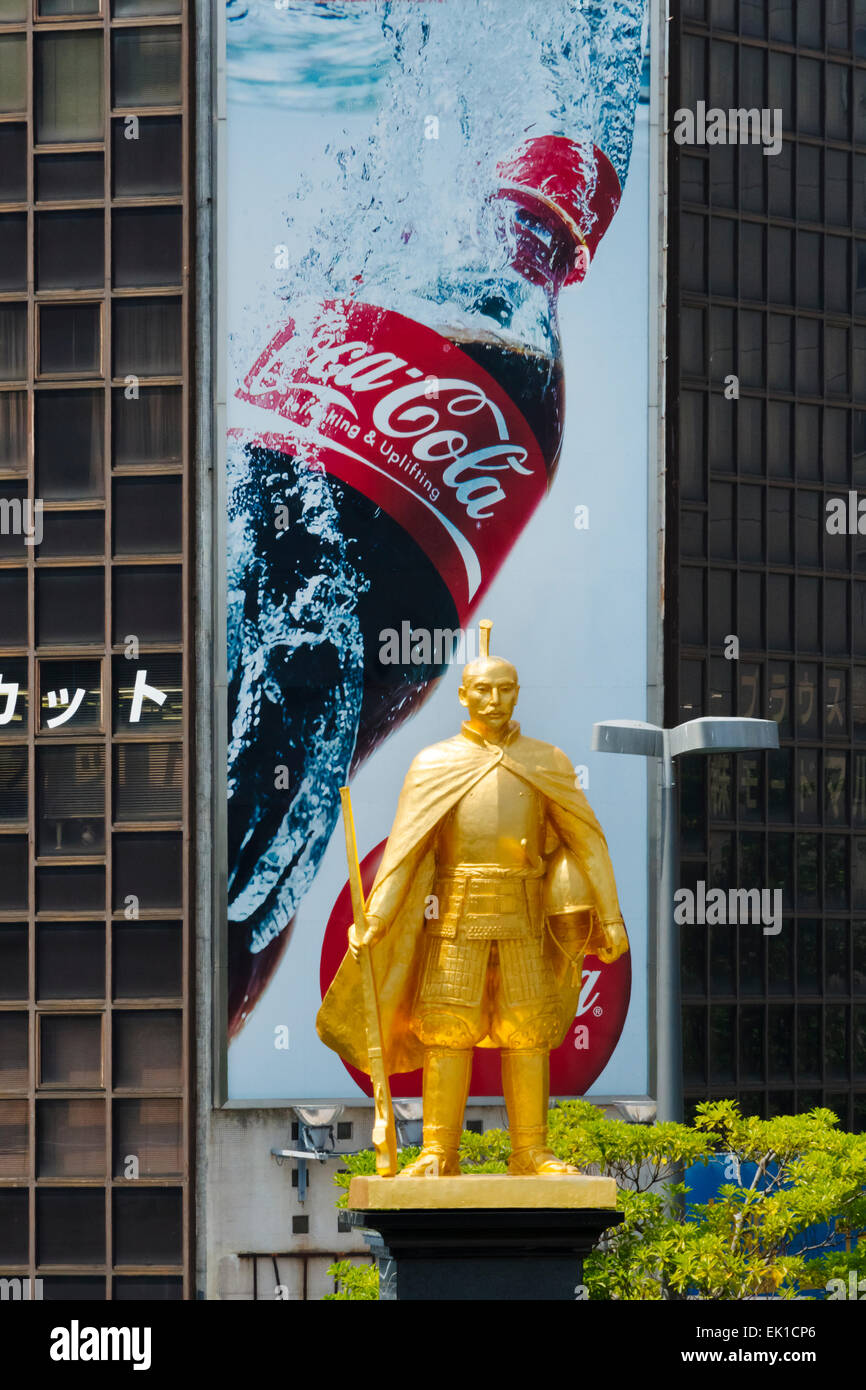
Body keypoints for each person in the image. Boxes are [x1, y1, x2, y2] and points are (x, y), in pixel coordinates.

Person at [316, 623, 629, 1176]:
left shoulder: (546, 762)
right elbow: (406, 852)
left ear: (517, 693)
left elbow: (587, 839)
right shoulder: (435, 763)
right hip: (455, 919)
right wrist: (377, 917)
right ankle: (440, 1152)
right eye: (482, 689)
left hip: (526, 918)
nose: (494, 699)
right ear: (463, 694)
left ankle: (530, 1151)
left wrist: (610, 917)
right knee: (447, 1032)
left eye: (505, 689)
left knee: (527, 1034)